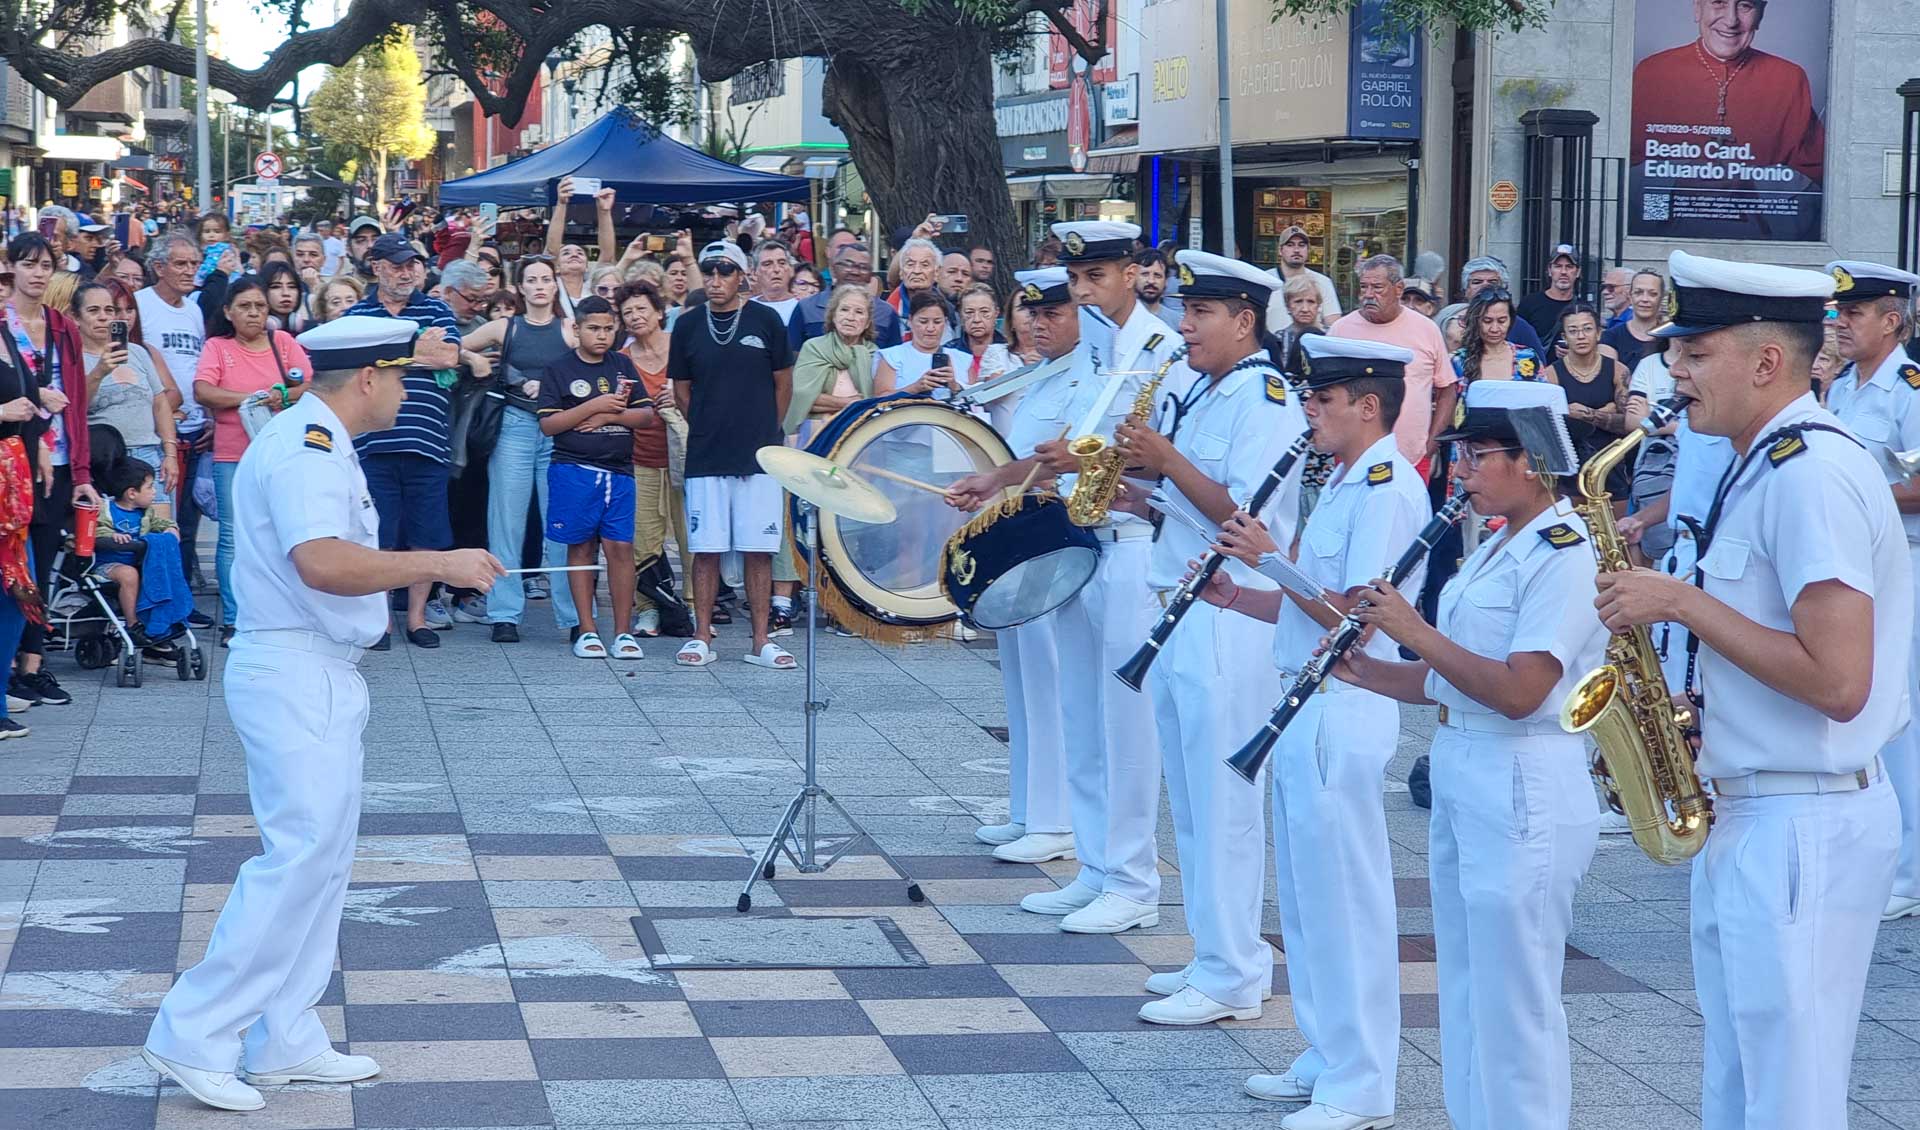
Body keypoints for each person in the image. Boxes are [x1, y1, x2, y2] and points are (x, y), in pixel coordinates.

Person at [140, 315, 504, 1114]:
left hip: (317, 669)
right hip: (292, 666)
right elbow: (324, 561)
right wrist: (441, 561)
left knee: (323, 860)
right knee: (297, 859)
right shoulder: (306, 445)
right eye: (401, 377)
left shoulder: (318, 438)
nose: (407, 391)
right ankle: (193, 1032)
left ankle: (286, 1036)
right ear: (368, 378)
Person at [1595, 250, 1906, 1130]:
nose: (1674, 373)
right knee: (1740, 1089)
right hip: (1756, 814)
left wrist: (1681, 603)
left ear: (1767, 361)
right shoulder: (1759, 462)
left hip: (1801, 823)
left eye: (1694, 353)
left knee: (1789, 1098)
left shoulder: (1810, 473)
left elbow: (1841, 682)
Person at [1333, 378, 1603, 1130]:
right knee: (1468, 984)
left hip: (1524, 776)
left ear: (1533, 460)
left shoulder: (1564, 550)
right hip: (1466, 767)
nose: (1464, 472)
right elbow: (1452, 676)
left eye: (1480, 455)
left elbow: (1520, 690)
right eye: (1464, 455)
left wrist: (1411, 629)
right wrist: (1363, 670)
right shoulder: (1497, 543)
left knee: (1515, 999)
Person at [1204, 335, 1430, 1130]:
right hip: (1305, 699)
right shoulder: (1339, 481)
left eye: (1323, 400)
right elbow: (1309, 605)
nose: (1310, 410)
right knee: (1304, 899)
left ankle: (1362, 1081)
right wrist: (1239, 595)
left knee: (1347, 902)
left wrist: (1270, 563)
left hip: (1346, 703)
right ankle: (1327, 1050)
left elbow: (1356, 624)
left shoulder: (1387, 490)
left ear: (1368, 406)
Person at [1121, 250, 1305, 1025]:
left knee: (1224, 801)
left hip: (1232, 612)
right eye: (1184, 311)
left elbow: (1242, 511)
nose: (1184, 325)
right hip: (1182, 600)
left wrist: (1165, 461)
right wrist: (1128, 484)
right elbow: (1185, 501)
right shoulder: (1206, 387)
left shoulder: (1263, 398)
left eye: (1199, 314)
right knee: (1191, 799)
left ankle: (1233, 970)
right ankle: (1213, 952)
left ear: (1243, 320)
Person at [940, 267, 1075, 859]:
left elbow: (1063, 460)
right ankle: (1029, 809)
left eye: (1052, 314)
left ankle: (1058, 820)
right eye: (1032, 314)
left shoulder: (1090, 377)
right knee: (1022, 679)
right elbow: (1028, 458)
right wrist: (993, 480)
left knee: (1051, 680)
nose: (1037, 324)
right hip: (1025, 533)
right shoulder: (1042, 374)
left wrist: (1006, 479)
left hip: (1059, 538)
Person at [1821, 260, 1920, 924]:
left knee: (1902, 714)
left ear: (1893, 318)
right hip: (1861, 563)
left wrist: (1857, 500)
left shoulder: (1910, 389)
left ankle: (1910, 869)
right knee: (1872, 709)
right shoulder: (1846, 389)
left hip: (1905, 562)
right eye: (1839, 314)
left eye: (1855, 314)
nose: (1842, 325)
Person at [669, 240, 794, 669]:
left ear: (743, 276)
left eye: (725, 271)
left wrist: (763, 433)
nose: (716, 280)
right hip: (707, 454)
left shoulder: (767, 320)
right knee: (706, 548)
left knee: (758, 549)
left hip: (759, 456)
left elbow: (784, 384)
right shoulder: (687, 326)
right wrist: (706, 424)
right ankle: (702, 635)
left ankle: (761, 640)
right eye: (709, 271)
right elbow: (681, 391)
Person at [342, 232, 466, 649]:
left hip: (428, 440)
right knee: (378, 533)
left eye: (412, 263)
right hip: (373, 440)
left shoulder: (436, 308)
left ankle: (417, 619)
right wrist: (416, 349)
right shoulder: (358, 311)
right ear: (375, 266)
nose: (407, 271)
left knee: (426, 533)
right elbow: (354, 363)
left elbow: (448, 356)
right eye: (396, 264)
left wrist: (387, 353)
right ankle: (381, 622)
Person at [457, 256, 581, 643]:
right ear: (521, 288)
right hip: (513, 425)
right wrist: (476, 358)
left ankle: (574, 613)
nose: (540, 285)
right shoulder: (505, 326)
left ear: (556, 285)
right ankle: (504, 613)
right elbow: (451, 345)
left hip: (558, 428)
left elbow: (594, 359)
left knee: (561, 522)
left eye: (547, 278)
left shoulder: (570, 328)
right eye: (532, 280)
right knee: (505, 521)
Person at [6, 232, 98, 709]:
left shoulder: (62, 325)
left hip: (60, 460)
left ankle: (34, 666)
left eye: (46, 265)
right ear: (12, 269)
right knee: (17, 566)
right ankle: (12, 667)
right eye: (29, 264)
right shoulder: (2, 323)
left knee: (44, 561)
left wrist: (81, 472)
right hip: (15, 460)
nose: (38, 273)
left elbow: (77, 401)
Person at [194, 276, 314, 641]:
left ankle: (280, 611)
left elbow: (311, 385)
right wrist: (255, 396)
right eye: (244, 306)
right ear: (228, 312)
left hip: (281, 452)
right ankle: (234, 617)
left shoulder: (284, 343)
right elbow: (203, 391)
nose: (253, 313)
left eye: (260, 306)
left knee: (284, 532)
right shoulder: (217, 347)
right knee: (232, 536)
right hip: (232, 453)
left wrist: (282, 397)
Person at [536, 295, 653, 660]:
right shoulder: (558, 369)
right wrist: (592, 406)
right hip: (573, 469)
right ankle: (586, 629)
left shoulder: (622, 365)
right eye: (593, 329)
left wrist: (608, 417)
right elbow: (549, 424)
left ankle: (622, 632)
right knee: (581, 546)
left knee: (620, 548)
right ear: (576, 329)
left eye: (608, 328)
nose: (601, 336)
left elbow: (646, 415)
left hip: (620, 471)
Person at [1629, 0, 1824, 184]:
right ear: (1698, 8)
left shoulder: (1789, 79)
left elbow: (1815, 178)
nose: (1731, 21)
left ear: (1761, 14)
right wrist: (1677, 181)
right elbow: (1623, 171)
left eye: (1745, 5)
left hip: (1757, 218)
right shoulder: (1653, 71)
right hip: (1672, 218)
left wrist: (1752, 184)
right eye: (1719, 2)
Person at [1329, 255, 1455, 478]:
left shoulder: (1427, 329)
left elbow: (1447, 389)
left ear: (1398, 289)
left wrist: (1432, 443)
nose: (1368, 295)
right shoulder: (1340, 331)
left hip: (1412, 459)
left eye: (1377, 287)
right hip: (1352, 458)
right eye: (1364, 287)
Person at [137, 231, 212, 587]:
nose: (189, 271)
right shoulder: (141, 304)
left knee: (188, 517)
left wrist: (208, 415)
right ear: (158, 267)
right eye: (180, 264)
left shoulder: (195, 310)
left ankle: (183, 593)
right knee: (160, 519)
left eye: (194, 263)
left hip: (196, 427)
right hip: (157, 429)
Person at [76, 281, 180, 521]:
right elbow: (77, 409)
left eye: (109, 310)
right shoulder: (73, 358)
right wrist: (100, 371)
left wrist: (170, 453)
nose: (103, 317)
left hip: (149, 453)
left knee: (162, 532)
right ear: (76, 317)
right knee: (117, 537)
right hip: (106, 462)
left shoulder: (137, 352)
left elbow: (160, 403)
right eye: (93, 311)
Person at [619, 282, 686, 638]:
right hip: (641, 457)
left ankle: (691, 607)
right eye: (628, 312)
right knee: (643, 539)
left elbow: (707, 386)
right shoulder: (623, 358)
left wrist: (682, 393)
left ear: (659, 311)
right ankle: (648, 609)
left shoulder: (681, 345)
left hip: (685, 456)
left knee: (692, 537)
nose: (635, 316)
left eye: (642, 309)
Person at [91, 457, 194, 653]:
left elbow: (161, 524)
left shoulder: (145, 513)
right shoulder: (106, 509)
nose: (154, 492)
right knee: (129, 574)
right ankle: (133, 625)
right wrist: (111, 535)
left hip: (138, 563)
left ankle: (163, 621)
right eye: (150, 487)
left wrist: (171, 530)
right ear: (131, 493)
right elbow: (95, 530)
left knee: (157, 573)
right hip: (107, 566)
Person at [1546, 302, 1632, 504]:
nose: (1581, 336)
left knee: (1617, 532)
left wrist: (1587, 414)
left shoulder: (1618, 371)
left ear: (1599, 333)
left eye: (1587, 329)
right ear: (1565, 337)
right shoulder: (1551, 374)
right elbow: (1548, 426)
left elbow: (1629, 424)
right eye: (1573, 331)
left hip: (1610, 465)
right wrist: (1606, 412)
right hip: (1570, 470)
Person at [786, 242, 899, 348]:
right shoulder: (806, 308)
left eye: (863, 267)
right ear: (833, 268)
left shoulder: (886, 312)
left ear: (870, 275)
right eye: (847, 265)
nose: (855, 272)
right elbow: (793, 356)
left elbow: (893, 360)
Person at [875, 292, 967, 397]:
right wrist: (915, 388)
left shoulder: (963, 358)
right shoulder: (891, 356)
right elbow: (879, 397)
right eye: (923, 322)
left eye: (937, 322)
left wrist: (954, 386)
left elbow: (974, 401)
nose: (930, 328)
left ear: (945, 322)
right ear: (910, 321)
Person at [1452, 287, 1542, 384]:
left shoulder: (1527, 356)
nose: (1494, 329)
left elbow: (1544, 394)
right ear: (1475, 321)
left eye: (1502, 321)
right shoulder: (1458, 360)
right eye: (1487, 321)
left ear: (1511, 321)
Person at [1458, 257, 1547, 355]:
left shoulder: (1520, 327)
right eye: (1477, 282)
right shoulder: (1452, 323)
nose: (1485, 286)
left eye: (1492, 282)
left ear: (1503, 287)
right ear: (1466, 290)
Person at [1265, 225, 1340, 330]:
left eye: (1301, 245)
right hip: (1273, 344)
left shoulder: (1323, 282)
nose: (1296, 250)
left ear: (1308, 250)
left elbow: (1333, 325)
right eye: (1290, 245)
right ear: (1280, 250)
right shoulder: (1265, 280)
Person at [884, 238, 950, 343]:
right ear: (901, 272)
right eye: (910, 264)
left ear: (937, 272)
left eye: (925, 265)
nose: (916, 271)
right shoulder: (886, 312)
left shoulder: (949, 311)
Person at [1515, 243, 1579, 348]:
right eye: (1558, 266)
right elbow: (1517, 342)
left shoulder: (1582, 307)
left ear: (1577, 272)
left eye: (1569, 267)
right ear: (1549, 270)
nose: (1563, 272)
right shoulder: (1529, 304)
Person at [1601, 269, 1665, 372]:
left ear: (1661, 299)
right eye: (1638, 292)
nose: (1644, 299)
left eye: (1652, 294)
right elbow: (1608, 377)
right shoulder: (1611, 337)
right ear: (1630, 296)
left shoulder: (1670, 338)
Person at [1271, 274, 1323, 380]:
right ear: (1288, 306)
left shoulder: (1330, 336)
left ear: (1318, 306)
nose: (1305, 309)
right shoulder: (1278, 339)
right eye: (1298, 301)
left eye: (1311, 302)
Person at [751, 239, 800, 324]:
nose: (776, 269)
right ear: (754, 273)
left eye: (782, 263)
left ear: (791, 270)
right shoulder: (746, 308)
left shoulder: (803, 307)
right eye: (767, 264)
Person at [1134, 248, 1183, 331]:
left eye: (1157, 275)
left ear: (1166, 281)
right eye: (1145, 274)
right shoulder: (1120, 319)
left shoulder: (1178, 323)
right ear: (1132, 277)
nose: (1151, 281)